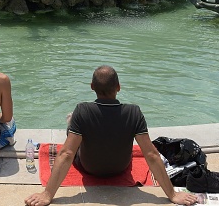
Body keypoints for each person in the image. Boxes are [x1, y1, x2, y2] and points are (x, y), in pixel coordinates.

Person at [24, 65, 198, 206]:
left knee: (73, 127)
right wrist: (173, 195)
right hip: (120, 167)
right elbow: (151, 154)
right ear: (118, 87)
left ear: (92, 87)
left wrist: (47, 195)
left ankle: (75, 128)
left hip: (89, 167)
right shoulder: (134, 112)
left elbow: (67, 153)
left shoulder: (82, 110)